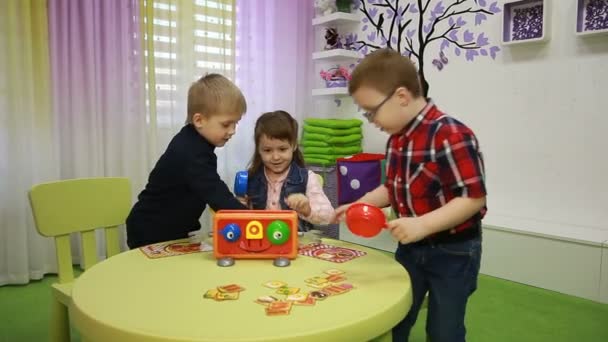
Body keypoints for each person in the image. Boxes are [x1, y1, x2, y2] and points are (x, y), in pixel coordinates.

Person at [334, 48, 487, 342]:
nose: (371, 120)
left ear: (401, 96)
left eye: (372, 111)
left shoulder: (452, 135)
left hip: (453, 251)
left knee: (444, 330)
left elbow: (473, 198)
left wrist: (422, 224)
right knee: (398, 315)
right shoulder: (397, 140)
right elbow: (393, 187)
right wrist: (360, 202)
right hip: (411, 249)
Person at [126, 74, 247, 248]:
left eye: (236, 124)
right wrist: (251, 218)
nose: (233, 130)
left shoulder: (194, 142)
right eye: (226, 124)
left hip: (170, 229)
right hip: (151, 230)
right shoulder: (191, 152)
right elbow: (215, 193)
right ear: (199, 120)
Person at [245, 110, 334, 230]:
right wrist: (242, 205)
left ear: (294, 145)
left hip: (297, 242)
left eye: (282, 149)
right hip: (261, 241)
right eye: (267, 150)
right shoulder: (251, 178)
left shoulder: (307, 178)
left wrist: (307, 209)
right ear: (259, 150)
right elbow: (243, 216)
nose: (275, 157)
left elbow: (328, 216)